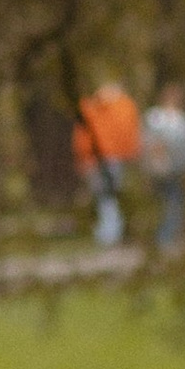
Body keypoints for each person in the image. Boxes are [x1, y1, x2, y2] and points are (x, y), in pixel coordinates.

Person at [71, 81, 140, 246]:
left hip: (99, 157)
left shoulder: (91, 107)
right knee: (110, 195)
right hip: (117, 157)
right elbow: (132, 133)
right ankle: (112, 231)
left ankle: (109, 233)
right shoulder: (126, 106)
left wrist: (83, 157)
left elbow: (83, 136)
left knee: (105, 196)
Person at [141, 82, 185, 252]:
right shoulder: (155, 117)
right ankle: (164, 235)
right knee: (167, 201)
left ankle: (168, 234)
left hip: (178, 169)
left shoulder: (183, 120)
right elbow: (148, 143)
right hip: (160, 168)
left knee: (174, 201)